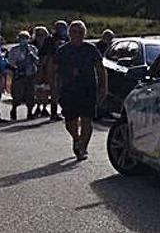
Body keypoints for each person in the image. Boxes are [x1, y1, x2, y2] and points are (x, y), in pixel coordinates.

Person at [54, 21, 107, 160]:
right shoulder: (62, 50)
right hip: (68, 90)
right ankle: (76, 138)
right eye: (74, 32)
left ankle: (82, 148)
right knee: (70, 121)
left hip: (88, 89)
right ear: (69, 34)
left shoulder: (91, 49)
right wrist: (53, 88)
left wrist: (103, 87)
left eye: (80, 32)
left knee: (86, 120)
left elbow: (100, 69)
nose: (77, 35)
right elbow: (54, 71)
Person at [6, 31, 40, 121]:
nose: (24, 40)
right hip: (18, 76)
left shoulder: (32, 49)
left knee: (30, 95)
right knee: (17, 94)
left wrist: (33, 57)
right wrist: (16, 65)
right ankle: (14, 109)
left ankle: (29, 112)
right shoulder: (14, 50)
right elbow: (10, 62)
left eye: (26, 38)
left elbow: (38, 61)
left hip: (30, 75)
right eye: (22, 38)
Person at [33, 26, 58, 119]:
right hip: (36, 71)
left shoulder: (50, 44)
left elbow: (50, 57)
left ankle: (46, 109)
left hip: (48, 70)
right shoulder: (33, 44)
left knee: (48, 90)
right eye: (38, 34)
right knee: (39, 90)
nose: (40, 37)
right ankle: (38, 107)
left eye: (42, 34)